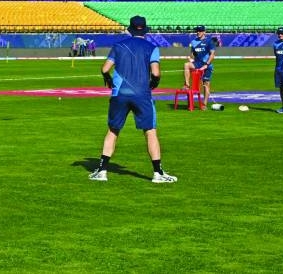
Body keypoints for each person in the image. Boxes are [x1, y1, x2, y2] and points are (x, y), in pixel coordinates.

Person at [89, 15, 176, 183]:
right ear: (145, 29)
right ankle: (158, 173)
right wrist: (154, 82)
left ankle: (102, 170)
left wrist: (107, 78)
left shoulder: (118, 46)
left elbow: (105, 68)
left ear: (130, 28)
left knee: (113, 131)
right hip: (142, 94)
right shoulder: (152, 47)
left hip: (120, 93)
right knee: (150, 131)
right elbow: (156, 72)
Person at [183, 25, 216, 110]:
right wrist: (191, 59)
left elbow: (212, 55)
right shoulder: (194, 42)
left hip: (207, 64)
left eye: (200, 31)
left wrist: (206, 65)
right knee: (186, 64)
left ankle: (204, 104)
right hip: (197, 63)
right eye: (197, 30)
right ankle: (187, 84)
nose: (198, 32)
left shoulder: (209, 41)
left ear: (204, 32)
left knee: (206, 84)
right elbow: (193, 54)